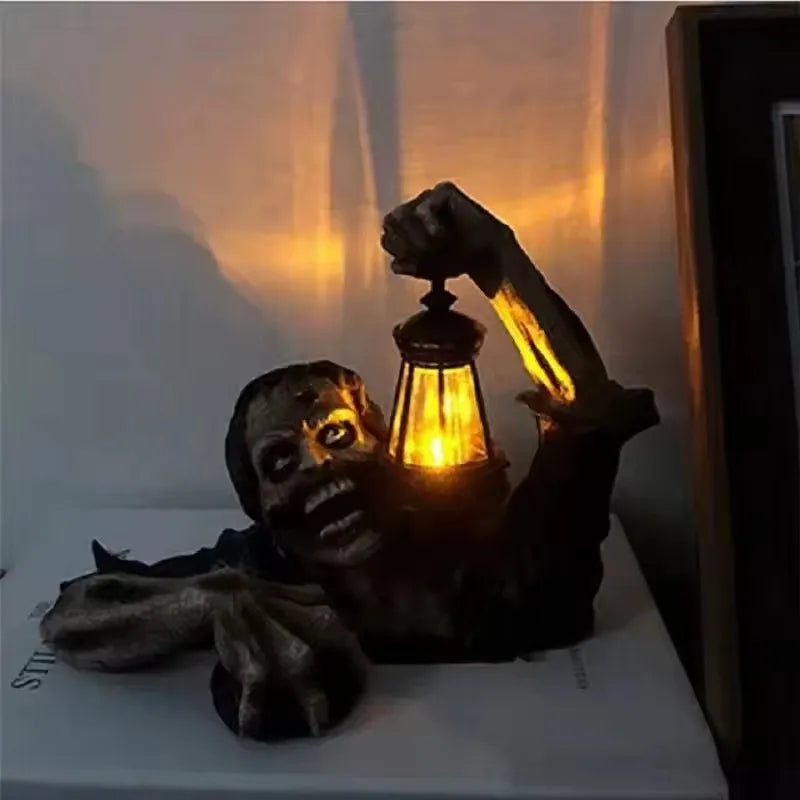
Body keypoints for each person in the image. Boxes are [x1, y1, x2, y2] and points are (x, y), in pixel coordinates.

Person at [41, 183, 658, 740]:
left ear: (389, 446)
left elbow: (585, 415)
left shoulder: (473, 563)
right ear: (260, 508)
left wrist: (495, 257)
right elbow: (75, 613)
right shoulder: (264, 571)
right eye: (279, 462)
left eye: (336, 433)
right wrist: (203, 604)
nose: (318, 466)